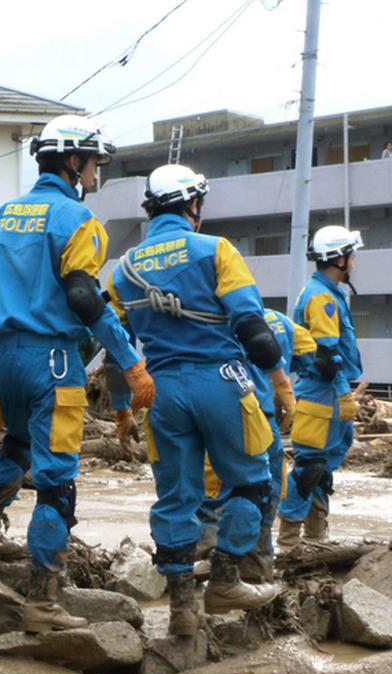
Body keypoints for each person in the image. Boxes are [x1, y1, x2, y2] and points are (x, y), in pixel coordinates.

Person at [0, 114, 154, 633]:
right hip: (52, 360)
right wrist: (133, 364)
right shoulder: (77, 220)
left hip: (2, 357)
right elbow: (82, 295)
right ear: (74, 161)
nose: (95, 173)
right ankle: (43, 604)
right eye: (93, 163)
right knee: (56, 484)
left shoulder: (1, 217)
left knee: (16, 445)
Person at [107, 164, 282, 637]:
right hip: (222, 383)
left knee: (176, 498)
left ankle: (183, 606)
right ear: (194, 205)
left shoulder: (122, 269)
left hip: (160, 391)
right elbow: (254, 328)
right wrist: (276, 374)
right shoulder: (216, 250)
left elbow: (113, 347)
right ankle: (225, 581)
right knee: (251, 485)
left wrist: (124, 405)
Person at [194, 309, 310, 581]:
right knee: (260, 488)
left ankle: (195, 571)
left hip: (215, 412)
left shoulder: (203, 317)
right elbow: (313, 356)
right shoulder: (281, 322)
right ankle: (253, 572)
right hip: (259, 414)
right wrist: (284, 387)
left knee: (211, 488)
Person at [277, 225, 364, 550]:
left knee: (322, 468)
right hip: (320, 392)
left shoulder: (326, 292)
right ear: (339, 258)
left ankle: (315, 537)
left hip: (324, 391)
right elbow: (327, 357)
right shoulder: (322, 297)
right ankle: (288, 540)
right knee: (310, 467)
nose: (353, 261)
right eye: (350, 255)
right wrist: (343, 392)